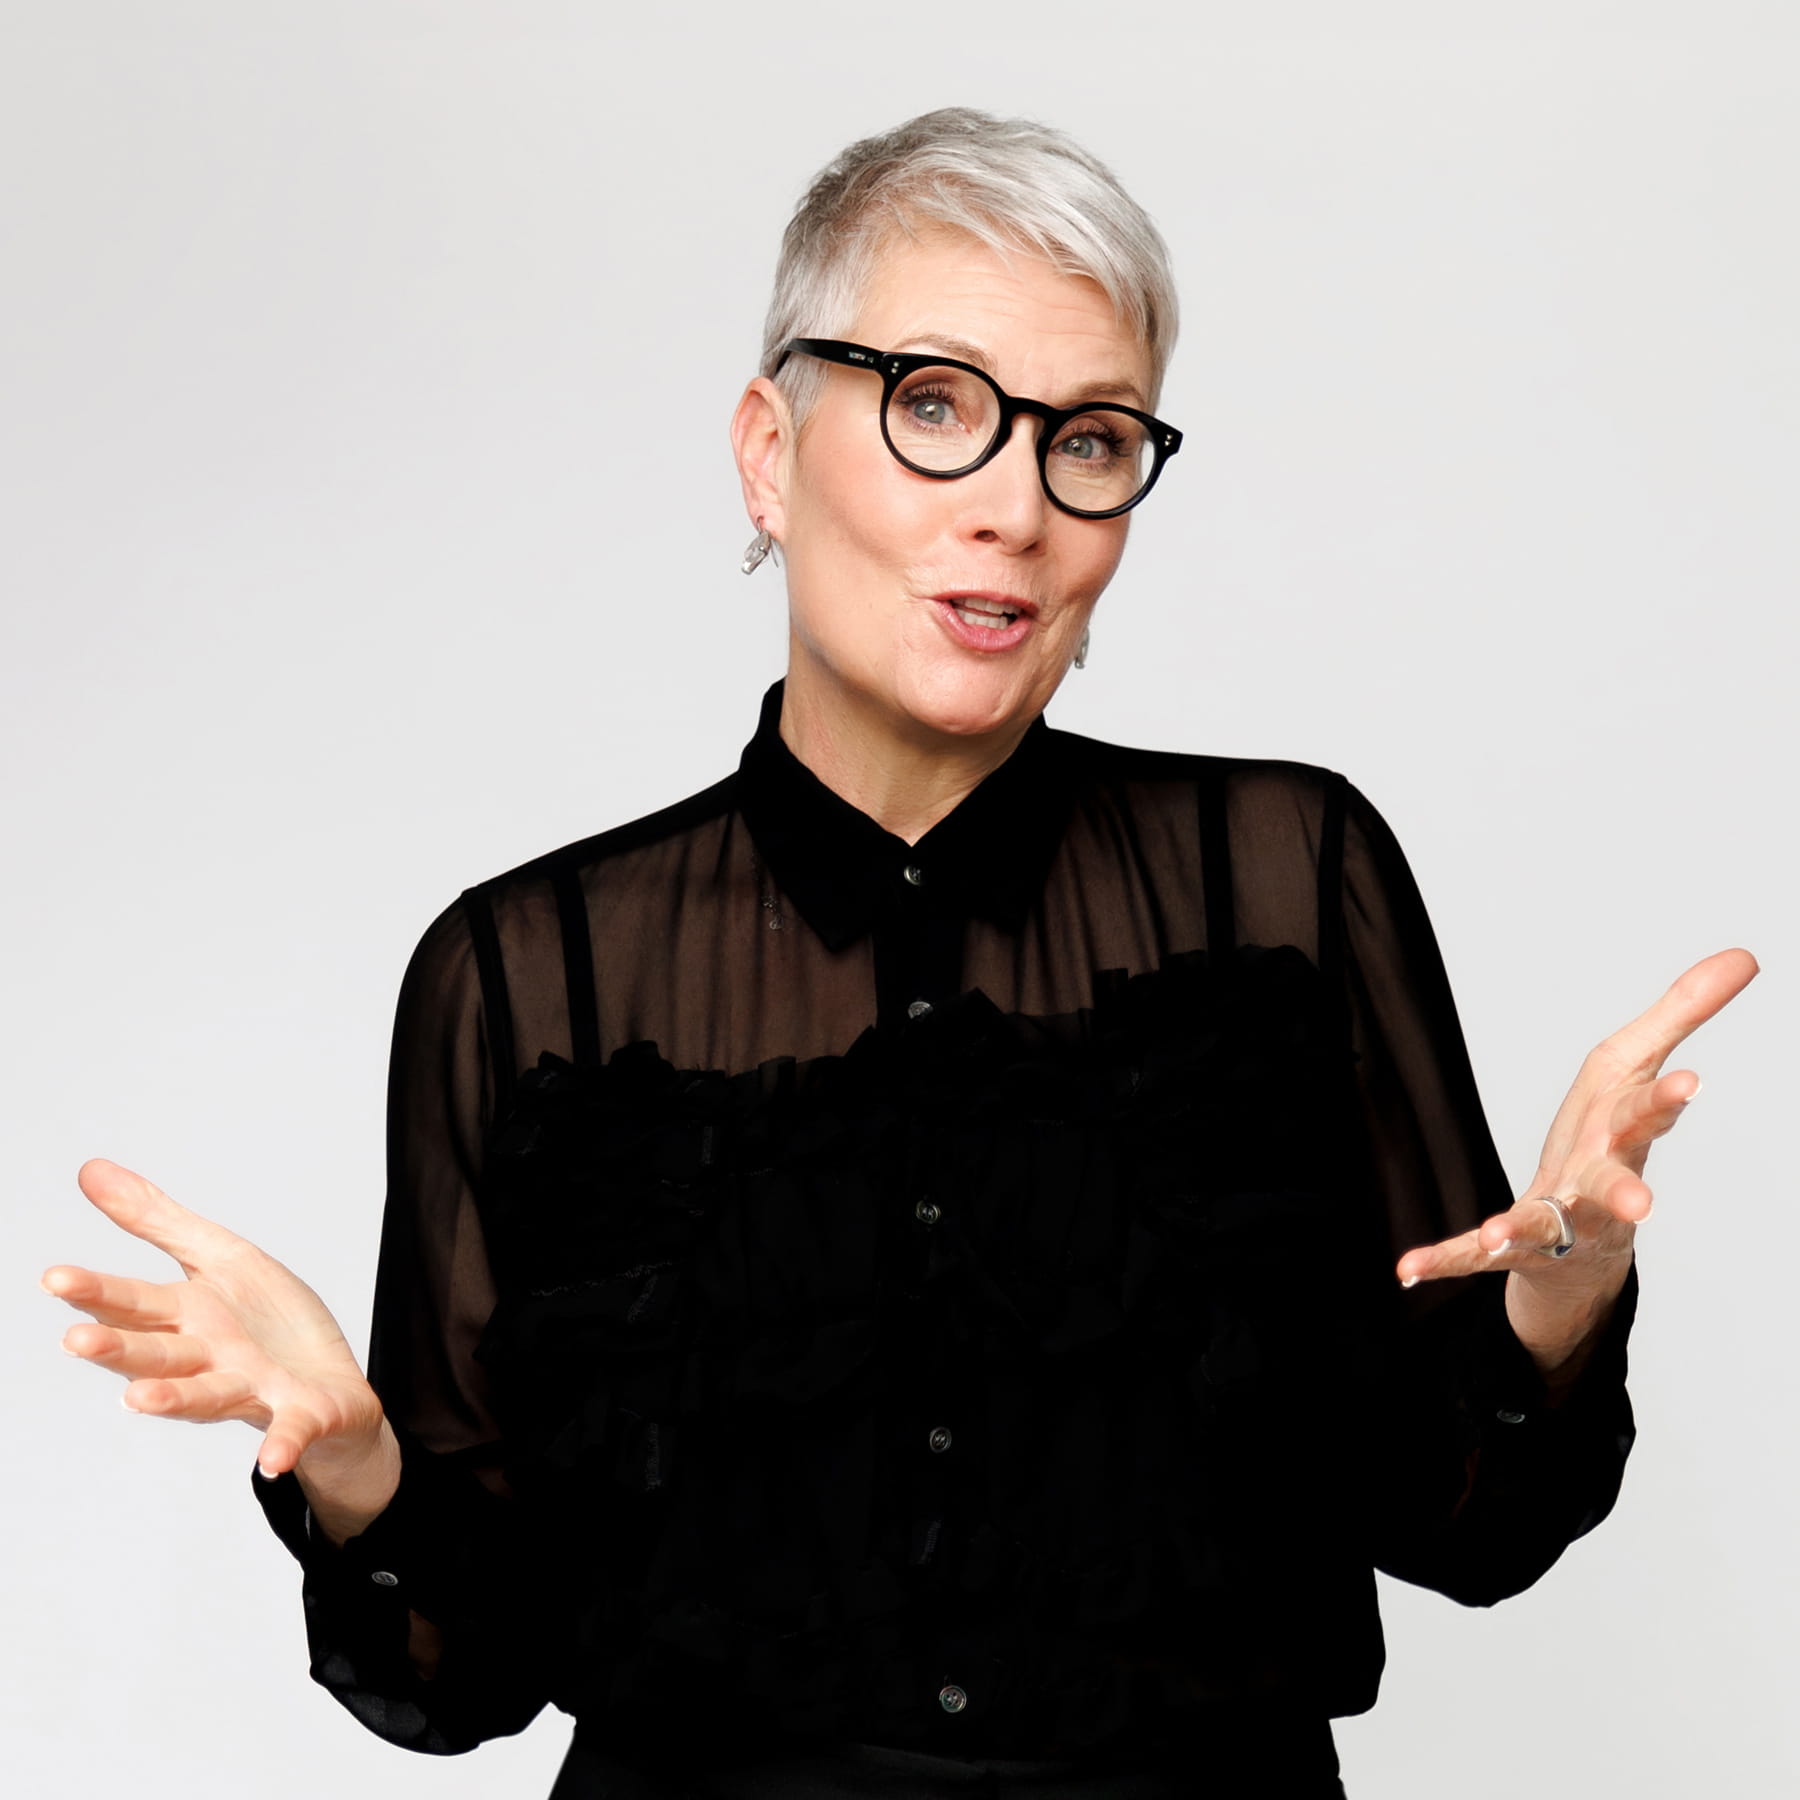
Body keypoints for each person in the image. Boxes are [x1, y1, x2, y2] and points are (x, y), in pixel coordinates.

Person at [43, 108, 1756, 1799]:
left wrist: (1559, 1305)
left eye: (1091, 438)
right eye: (937, 404)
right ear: (767, 453)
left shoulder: (1284, 879)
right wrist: (355, 1469)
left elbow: (1466, 1525)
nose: (1015, 505)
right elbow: (470, 1670)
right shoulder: (525, 973)